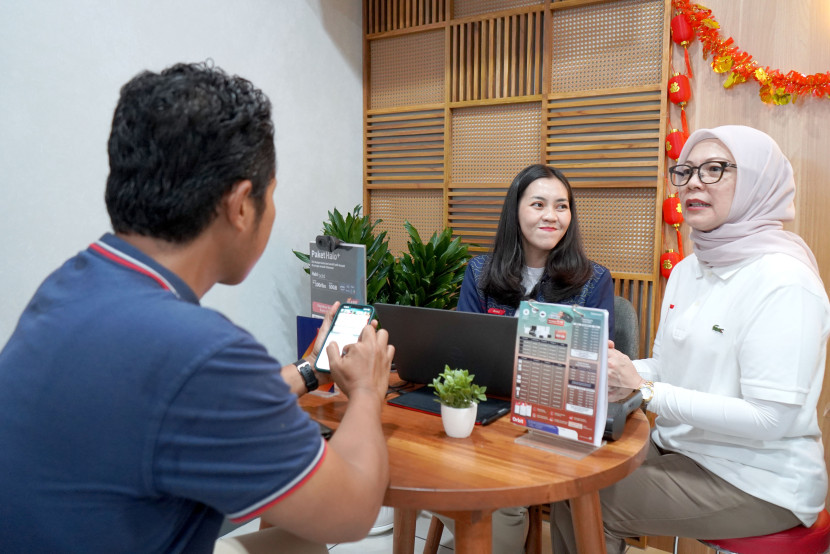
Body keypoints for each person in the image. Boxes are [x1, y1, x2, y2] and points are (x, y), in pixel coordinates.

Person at [0, 62, 395, 553]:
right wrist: (366, 391)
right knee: (311, 541)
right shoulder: (200, 350)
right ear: (241, 204)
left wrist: (307, 371)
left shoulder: (70, 284)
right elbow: (352, 513)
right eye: (271, 197)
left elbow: (173, 400)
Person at [551, 125, 830, 553]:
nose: (693, 182)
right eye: (685, 171)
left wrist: (643, 389)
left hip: (758, 479)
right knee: (567, 475)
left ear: (758, 182)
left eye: (715, 168)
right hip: (683, 450)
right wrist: (610, 370)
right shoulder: (688, 269)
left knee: (588, 498)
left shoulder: (784, 280)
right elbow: (665, 365)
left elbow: (771, 419)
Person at [447, 163, 615, 552]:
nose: (551, 216)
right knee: (456, 485)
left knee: (500, 504)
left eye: (562, 206)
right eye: (538, 204)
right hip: (487, 414)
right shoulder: (479, 272)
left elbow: (596, 369)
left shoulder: (594, 280)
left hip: (551, 422)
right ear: (515, 211)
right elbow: (461, 352)